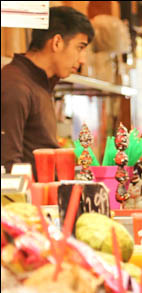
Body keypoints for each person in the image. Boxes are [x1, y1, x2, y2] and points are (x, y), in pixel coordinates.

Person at [1, 6, 94, 176]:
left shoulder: (38, 82)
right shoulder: (15, 85)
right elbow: (8, 165)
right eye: (80, 47)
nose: (82, 60)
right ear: (57, 42)